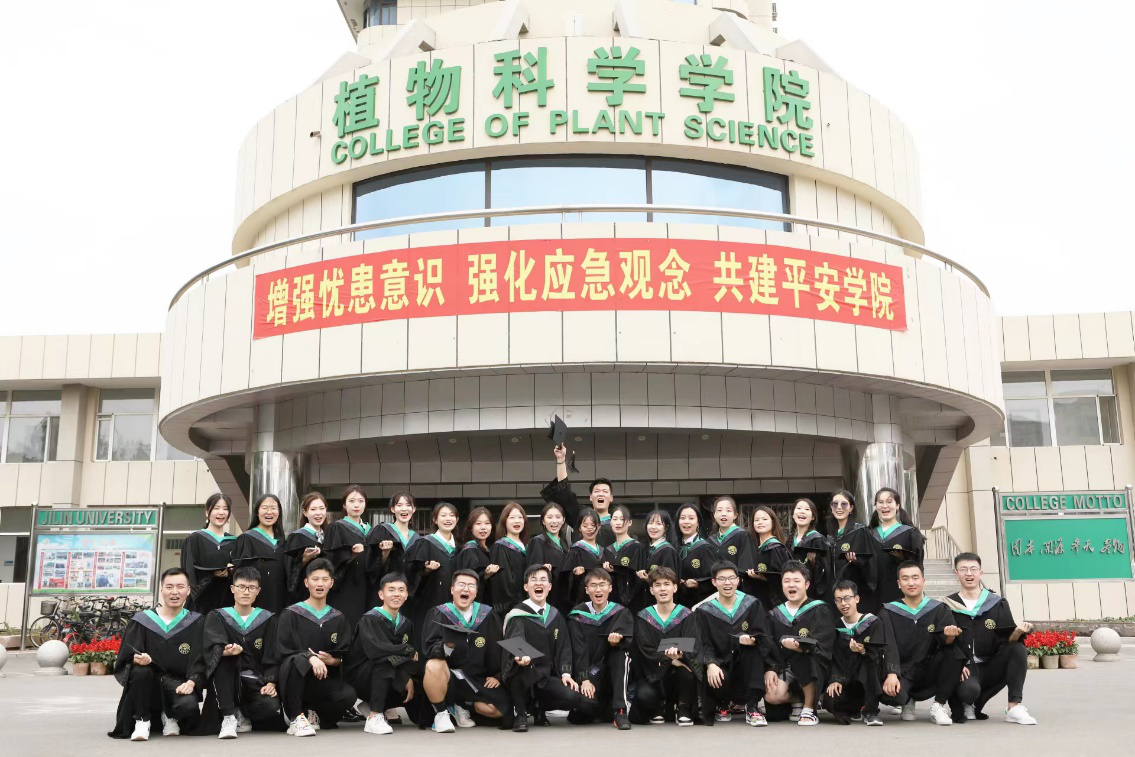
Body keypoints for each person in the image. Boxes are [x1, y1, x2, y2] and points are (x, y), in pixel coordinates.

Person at [108, 568, 206, 741]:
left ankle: (169, 715)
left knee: (188, 706)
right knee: (140, 671)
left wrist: (192, 681)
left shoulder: (196, 622)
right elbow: (126, 657)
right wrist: (136, 660)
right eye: (169, 587)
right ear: (161, 590)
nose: (174, 592)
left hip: (177, 684)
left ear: (188, 590)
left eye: (180, 587)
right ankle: (142, 720)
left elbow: (200, 658)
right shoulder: (143, 620)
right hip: (148, 685)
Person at [500, 565, 601, 732]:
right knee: (519, 671)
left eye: (543, 580)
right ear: (526, 587)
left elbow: (564, 647)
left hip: (546, 676)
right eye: (533, 580)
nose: (538, 583)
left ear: (549, 586)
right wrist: (522, 656)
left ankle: (539, 708)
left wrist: (566, 674)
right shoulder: (517, 614)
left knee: (573, 697)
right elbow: (515, 640)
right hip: (524, 673)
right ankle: (521, 713)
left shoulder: (555, 615)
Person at [944, 553, 1036, 725]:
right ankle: (967, 703)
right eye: (963, 569)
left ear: (981, 572)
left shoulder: (996, 603)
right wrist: (956, 662)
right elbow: (942, 644)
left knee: (1017, 649)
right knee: (969, 691)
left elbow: (1006, 641)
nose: (969, 573)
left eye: (973, 569)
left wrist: (1016, 633)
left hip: (990, 665)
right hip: (964, 668)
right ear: (956, 573)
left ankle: (1014, 707)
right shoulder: (947, 605)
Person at [422, 569, 512, 732]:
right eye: (461, 585)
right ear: (452, 590)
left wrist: (497, 675)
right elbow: (429, 648)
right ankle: (441, 713)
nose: (466, 589)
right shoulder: (439, 613)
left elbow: (497, 648)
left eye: (471, 586)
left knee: (500, 710)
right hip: (449, 677)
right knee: (433, 665)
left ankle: (462, 706)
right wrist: (448, 646)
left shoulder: (487, 614)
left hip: (476, 679)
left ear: (476, 592)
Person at [276, 559, 357, 737]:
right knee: (296, 661)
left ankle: (314, 714)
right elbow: (282, 651)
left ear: (331, 583)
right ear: (306, 582)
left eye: (324, 579)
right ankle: (296, 717)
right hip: (294, 679)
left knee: (348, 694)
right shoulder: (291, 614)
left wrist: (333, 661)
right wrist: (309, 657)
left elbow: (345, 655)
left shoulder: (338, 618)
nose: (320, 584)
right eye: (315, 579)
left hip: (322, 680)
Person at [878, 561, 965, 726]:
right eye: (905, 579)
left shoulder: (939, 609)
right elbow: (888, 644)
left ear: (923, 581)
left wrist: (950, 637)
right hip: (902, 671)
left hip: (929, 671)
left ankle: (938, 705)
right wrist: (892, 673)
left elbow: (946, 644)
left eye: (915, 578)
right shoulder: (888, 611)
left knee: (955, 652)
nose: (911, 583)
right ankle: (907, 700)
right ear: (899, 583)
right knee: (890, 695)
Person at [200, 566, 281, 738]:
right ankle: (229, 717)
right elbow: (211, 647)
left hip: (255, 680)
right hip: (227, 681)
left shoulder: (267, 619)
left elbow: (272, 653)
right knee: (224, 659)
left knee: (270, 706)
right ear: (232, 589)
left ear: (258, 591)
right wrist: (225, 651)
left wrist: (271, 683)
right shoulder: (217, 616)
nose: (246, 592)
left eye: (251, 588)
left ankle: (243, 713)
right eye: (241, 587)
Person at [696, 560, 776, 727]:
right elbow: (703, 642)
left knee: (753, 649)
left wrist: (753, 641)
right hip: (721, 667)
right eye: (722, 579)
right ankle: (723, 703)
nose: (727, 583)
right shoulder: (704, 611)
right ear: (714, 582)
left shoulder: (752, 604)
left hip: (746, 669)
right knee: (713, 673)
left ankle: (752, 706)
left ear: (738, 580)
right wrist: (710, 663)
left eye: (731, 578)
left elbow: (764, 636)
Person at [347, 573, 422, 735]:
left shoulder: (406, 624)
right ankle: (374, 716)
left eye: (401, 590)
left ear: (406, 595)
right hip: (362, 676)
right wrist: (405, 650)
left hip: (390, 674)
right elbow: (376, 651)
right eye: (391, 590)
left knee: (420, 681)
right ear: (381, 594)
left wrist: (407, 677)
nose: (396, 594)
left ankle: (376, 705)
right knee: (385, 661)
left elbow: (412, 656)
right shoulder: (370, 619)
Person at [632, 567, 701, 726]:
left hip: (680, 671)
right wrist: (669, 659)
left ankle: (683, 708)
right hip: (653, 671)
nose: (662, 589)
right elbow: (644, 647)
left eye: (667, 584)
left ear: (675, 588)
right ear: (651, 590)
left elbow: (692, 643)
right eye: (657, 585)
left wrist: (679, 656)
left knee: (685, 672)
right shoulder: (644, 617)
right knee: (644, 696)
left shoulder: (687, 615)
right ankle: (658, 707)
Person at [567, 568, 635, 729]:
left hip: (611, 675)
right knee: (585, 707)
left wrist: (616, 642)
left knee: (620, 655)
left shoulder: (620, 613)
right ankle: (603, 710)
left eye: (602, 585)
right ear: (587, 590)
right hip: (589, 674)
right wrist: (584, 679)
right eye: (593, 585)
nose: (598, 589)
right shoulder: (577, 616)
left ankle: (620, 710)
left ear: (610, 588)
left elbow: (627, 644)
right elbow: (578, 649)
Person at [824, 579, 891, 726]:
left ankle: (871, 711)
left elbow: (879, 654)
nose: (843, 603)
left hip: (870, 675)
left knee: (867, 662)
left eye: (847, 598)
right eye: (838, 600)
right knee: (831, 699)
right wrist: (835, 679)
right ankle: (855, 709)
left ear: (857, 599)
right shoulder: (836, 626)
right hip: (847, 678)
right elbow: (835, 658)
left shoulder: (873, 622)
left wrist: (863, 651)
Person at [404, 502, 460, 646]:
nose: (448, 519)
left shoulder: (460, 548)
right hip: (429, 602)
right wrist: (425, 570)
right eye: (443, 515)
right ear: (435, 519)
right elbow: (410, 575)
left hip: (454, 604)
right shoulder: (424, 543)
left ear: (457, 519)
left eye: (452, 515)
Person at [540, 443, 616, 546]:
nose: (600, 494)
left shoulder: (617, 520)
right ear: (590, 497)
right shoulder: (581, 515)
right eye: (597, 491)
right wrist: (561, 460)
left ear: (611, 498)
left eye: (605, 491)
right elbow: (565, 494)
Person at [324, 484, 374, 628]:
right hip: (346, 584)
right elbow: (331, 560)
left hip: (367, 584)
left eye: (360, 501)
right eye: (351, 501)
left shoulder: (370, 530)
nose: (356, 505)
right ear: (344, 505)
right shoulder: (337, 527)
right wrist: (351, 555)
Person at [182, 493, 237, 615]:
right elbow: (189, 570)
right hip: (201, 601)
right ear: (207, 512)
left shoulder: (235, 542)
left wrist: (231, 571)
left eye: (225, 509)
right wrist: (210, 574)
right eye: (217, 508)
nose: (221, 512)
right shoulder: (195, 539)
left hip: (227, 599)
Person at [869, 488, 925, 606]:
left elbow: (918, 565)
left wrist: (903, 559)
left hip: (901, 594)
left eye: (889, 502)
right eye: (880, 502)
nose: (885, 506)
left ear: (897, 505)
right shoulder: (868, 534)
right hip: (873, 595)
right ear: (876, 506)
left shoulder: (910, 533)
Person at [232, 494, 287, 613]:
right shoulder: (247, 538)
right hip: (257, 600)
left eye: (273, 508)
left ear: (279, 512)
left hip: (280, 598)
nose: (269, 512)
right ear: (257, 512)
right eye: (265, 508)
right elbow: (240, 573)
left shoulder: (283, 541)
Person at [823, 491, 876, 613]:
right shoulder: (830, 536)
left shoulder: (860, 531)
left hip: (854, 592)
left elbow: (870, 564)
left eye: (844, 504)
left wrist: (857, 561)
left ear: (851, 508)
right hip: (834, 594)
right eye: (835, 504)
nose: (839, 507)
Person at [745, 505, 793, 611]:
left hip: (772, 604)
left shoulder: (776, 548)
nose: (760, 522)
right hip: (757, 600)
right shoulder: (753, 547)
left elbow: (783, 577)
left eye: (764, 519)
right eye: (756, 520)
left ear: (773, 522)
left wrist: (763, 578)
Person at [284, 493, 328, 605]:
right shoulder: (297, 537)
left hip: (327, 596)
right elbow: (288, 571)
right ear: (305, 512)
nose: (318, 513)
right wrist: (304, 559)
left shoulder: (329, 537)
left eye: (322, 508)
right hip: (303, 596)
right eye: (313, 509)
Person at [527, 502, 570, 614]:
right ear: (543, 521)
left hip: (564, 596)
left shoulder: (565, 543)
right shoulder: (538, 542)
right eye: (549, 517)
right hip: (548, 597)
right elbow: (533, 571)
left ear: (563, 520)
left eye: (558, 517)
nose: (554, 521)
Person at [488, 502, 530, 616]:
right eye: (512, 518)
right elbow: (505, 582)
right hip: (511, 607)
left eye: (520, 517)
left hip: (528, 602)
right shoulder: (500, 546)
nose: (517, 521)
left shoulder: (526, 546)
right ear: (504, 521)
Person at [602, 505, 646, 611]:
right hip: (611, 602)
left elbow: (638, 577)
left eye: (622, 519)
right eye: (615, 519)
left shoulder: (636, 547)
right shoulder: (607, 550)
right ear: (610, 522)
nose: (618, 523)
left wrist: (616, 570)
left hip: (633, 602)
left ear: (630, 522)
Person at [788, 499, 832, 601]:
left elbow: (826, 572)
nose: (802, 511)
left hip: (812, 594)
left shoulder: (817, 540)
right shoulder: (789, 541)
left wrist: (815, 563)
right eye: (799, 508)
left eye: (807, 509)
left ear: (813, 517)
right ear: (793, 515)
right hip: (792, 591)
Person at [371, 491, 420, 580]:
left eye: (408, 505)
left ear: (414, 509)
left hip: (408, 587)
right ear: (392, 509)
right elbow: (371, 566)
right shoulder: (383, 531)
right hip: (387, 585)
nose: (404, 509)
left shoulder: (417, 539)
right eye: (399, 505)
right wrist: (385, 553)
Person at [675, 503, 715, 608]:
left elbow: (712, 578)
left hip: (698, 604)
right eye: (682, 518)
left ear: (698, 522)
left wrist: (698, 583)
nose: (686, 521)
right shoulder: (674, 547)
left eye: (691, 518)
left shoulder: (705, 548)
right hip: (676, 605)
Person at [564, 508, 606, 606]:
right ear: (579, 527)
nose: (589, 528)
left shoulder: (604, 551)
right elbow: (566, 580)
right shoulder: (575, 550)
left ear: (599, 526)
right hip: (582, 601)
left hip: (602, 600)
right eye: (585, 525)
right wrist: (575, 575)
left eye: (593, 525)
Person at [707, 497, 754, 575]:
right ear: (714, 515)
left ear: (735, 515)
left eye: (728, 510)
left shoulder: (743, 536)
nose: (723, 514)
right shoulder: (710, 540)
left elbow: (746, 565)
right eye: (719, 510)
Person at [456, 506, 498, 587]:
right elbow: (469, 580)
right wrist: (486, 574)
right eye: (478, 523)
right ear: (471, 528)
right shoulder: (470, 549)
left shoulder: (487, 548)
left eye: (487, 523)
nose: (483, 527)